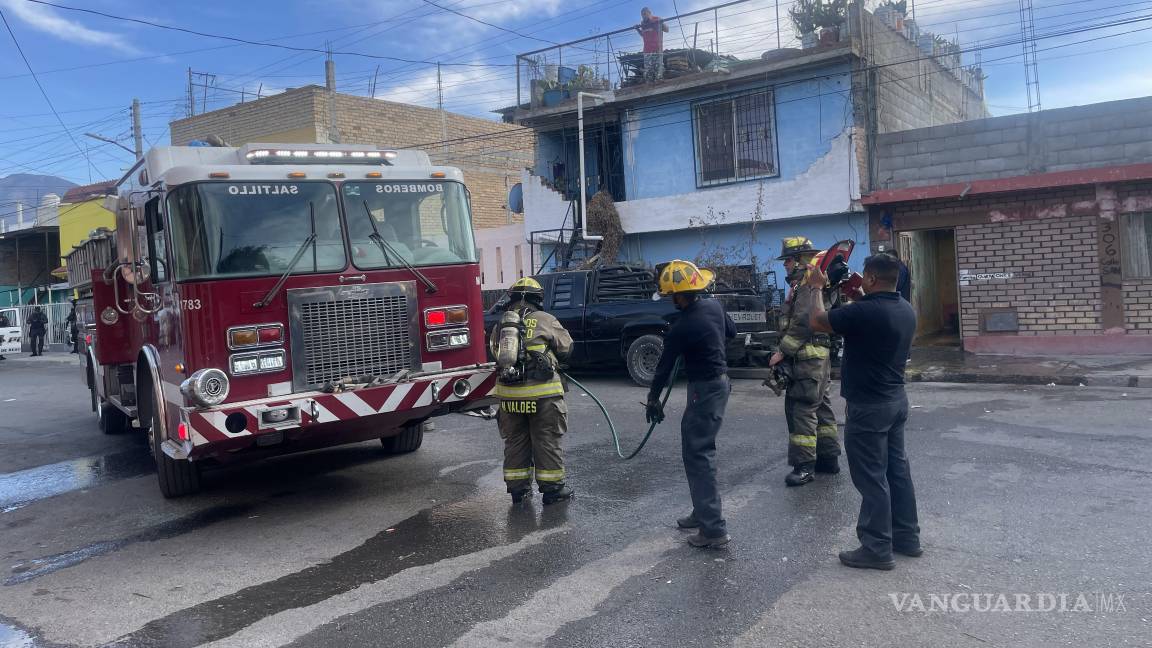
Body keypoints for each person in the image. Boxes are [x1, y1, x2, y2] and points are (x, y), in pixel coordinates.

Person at [805, 253, 920, 571]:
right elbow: (866, 317)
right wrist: (856, 294)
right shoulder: (904, 309)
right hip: (896, 401)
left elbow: (817, 321)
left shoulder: (865, 312)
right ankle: (907, 538)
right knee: (897, 472)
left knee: (871, 477)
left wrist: (816, 288)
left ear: (870, 279)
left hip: (869, 407)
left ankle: (876, 547)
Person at [646, 260, 736, 548]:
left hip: (705, 390)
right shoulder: (713, 307)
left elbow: (662, 368)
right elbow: (730, 333)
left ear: (680, 295)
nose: (671, 300)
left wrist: (652, 399)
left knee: (698, 455)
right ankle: (702, 512)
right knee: (700, 450)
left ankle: (713, 530)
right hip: (720, 384)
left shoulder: (682, 327)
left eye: (672, 295)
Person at [489, 277, 575, 505]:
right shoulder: (546, 319)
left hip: (508, 397)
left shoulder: (502, 327)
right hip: (543, 395)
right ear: (538, 299)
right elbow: (566, 348)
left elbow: (495, 354)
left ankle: (518, 490)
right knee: (546, 440)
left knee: (515, 442)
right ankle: (553, 490)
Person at [769, 237, 841, 487]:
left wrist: (783, 351)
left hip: (807, 358)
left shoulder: (807, 283)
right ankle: (828, 460)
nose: (785, 265)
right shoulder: (809, 282)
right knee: (821, 407)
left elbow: (802, 321)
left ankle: (804, 467)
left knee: (802, 409)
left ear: (800, 259)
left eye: (788, 259)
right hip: (818, 357)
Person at [637, 7, 668, 83]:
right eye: (642, 15)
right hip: (647, 51)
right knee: (648, 71)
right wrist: (637, 29)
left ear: (649, 13)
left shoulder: (656, 19)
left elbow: (667, 30)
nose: (643, 16)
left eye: (644, 14)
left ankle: (659, 82)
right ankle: (650, 85)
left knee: (658, 69)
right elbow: (643, 35)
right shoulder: (643, 23)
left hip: (657, 49)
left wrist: (661, 23)